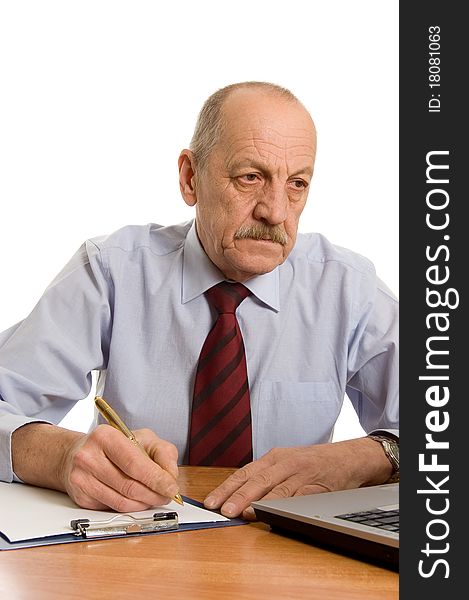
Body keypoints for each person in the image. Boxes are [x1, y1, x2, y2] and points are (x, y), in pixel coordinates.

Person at [0, 81, 398, 520]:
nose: (276, 212)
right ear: (191, 178)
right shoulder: (112, 271)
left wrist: (364, 457)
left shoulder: (348, 289)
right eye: (251, 177)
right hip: (135, 546)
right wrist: (63, 456)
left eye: (297, 184)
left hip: (290, 554)